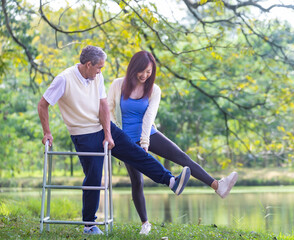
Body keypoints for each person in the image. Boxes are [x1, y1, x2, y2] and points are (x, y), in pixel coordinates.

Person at [37, 46, 191, 235]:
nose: (101, 71)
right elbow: (43, 104)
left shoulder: (96, 77)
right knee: (94, 177)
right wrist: (47, 132)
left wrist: (109, 134)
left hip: (105, 128)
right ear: (88, 64)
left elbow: (103, 105)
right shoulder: (64, 79)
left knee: (135, 152)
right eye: (99, 67)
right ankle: (89, 225)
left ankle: (170, 180)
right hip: (83, 134)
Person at [107, 50, 238, 235]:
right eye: (142, 71)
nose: (145, 75)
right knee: (136, 181)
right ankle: (145, 224)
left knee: (182, 157)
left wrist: (145, 142)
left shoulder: (154, 89)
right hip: (126, 139)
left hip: (149, 133)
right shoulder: (118, 84)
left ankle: (218, 186)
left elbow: (149, 116)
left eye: (149, 72)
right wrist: (119, 138)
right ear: (133, 68)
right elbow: (109, 110)